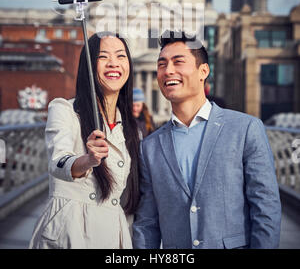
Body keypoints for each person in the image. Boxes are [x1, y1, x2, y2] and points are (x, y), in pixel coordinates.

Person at [132, 30, 281, 249]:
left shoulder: (246, 129)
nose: (168, 70)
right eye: (162, 64)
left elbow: (266, 208)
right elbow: (147, 223)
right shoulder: (150, 147)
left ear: (203, 71)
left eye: (178, 62)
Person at [29, 32, 140, 249]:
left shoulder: (129, 126)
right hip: (72, 229)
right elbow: (58, 161)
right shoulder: (65, 109)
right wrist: (87, 160)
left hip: (113, 234)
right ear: (88, 65)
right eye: (103, 57)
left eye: (120, 56)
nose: (113, 64)